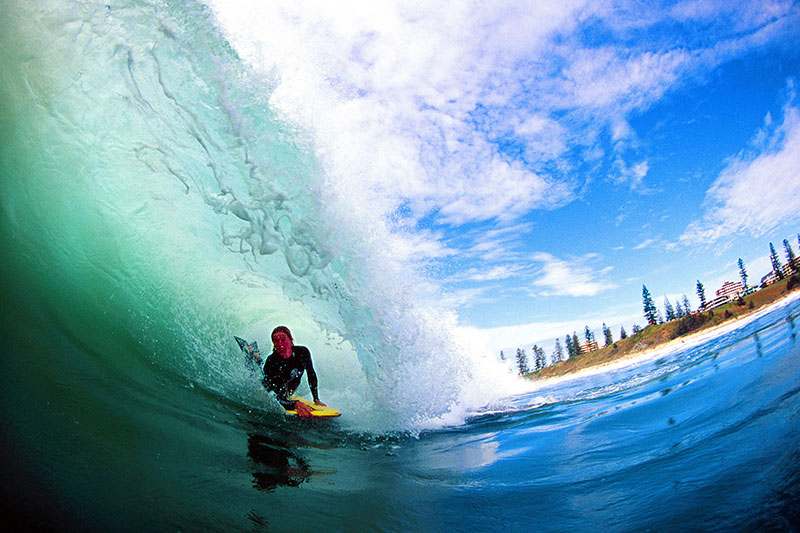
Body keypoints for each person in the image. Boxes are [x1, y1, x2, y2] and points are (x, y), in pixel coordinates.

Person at [258, 326, 326, 418]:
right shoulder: (272, 362)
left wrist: (316, 400)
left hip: (291, 379)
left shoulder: (302, 352)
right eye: (276, 341)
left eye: (283, 340)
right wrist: (295, 404)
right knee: (261, 372)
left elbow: (311, 374)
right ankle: (256, 356)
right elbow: (275, 397)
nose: (280, 344)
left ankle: (257, 356)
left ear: (291, 340)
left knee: (289, 391)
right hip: (273, 383)